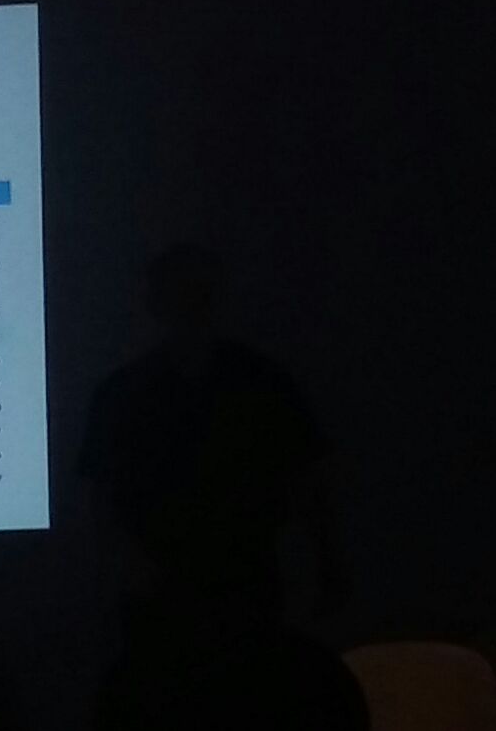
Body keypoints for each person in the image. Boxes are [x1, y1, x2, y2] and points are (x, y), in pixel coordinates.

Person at [79, 243, 347, 725]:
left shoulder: (253, 381)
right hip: (179, 584)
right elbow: (100, 496)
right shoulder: (255, 379)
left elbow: (308, 477)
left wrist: (327, 562)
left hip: (231, 580)